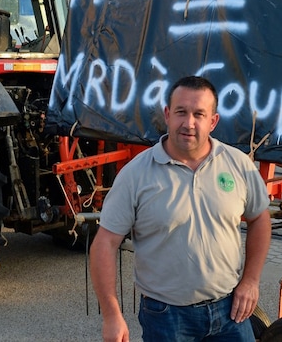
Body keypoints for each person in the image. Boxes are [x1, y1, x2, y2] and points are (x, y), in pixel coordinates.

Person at [90, 75, 272, 342]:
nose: (189, 123)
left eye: (199, 114)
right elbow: (104, 244)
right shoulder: (136, 174)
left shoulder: (237, 164)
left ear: (213, 121)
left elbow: (260, 219)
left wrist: (251, 281)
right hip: (166, 317)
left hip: (229, 312)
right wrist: (111, 315)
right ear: (167, 114)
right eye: (181, 112)